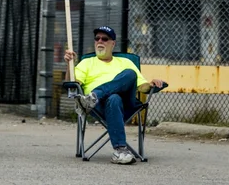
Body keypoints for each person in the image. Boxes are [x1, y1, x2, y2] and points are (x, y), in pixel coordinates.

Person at [64, 25, 165, 165]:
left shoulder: (126, 62)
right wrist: (69, 65)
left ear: (113, 43)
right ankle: (120, 151)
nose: (100, 41)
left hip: (126, 105)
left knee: (130, 74)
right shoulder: (86, 63)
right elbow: (72, 84)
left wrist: (152, 84)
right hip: (98, 107)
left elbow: (143, 87)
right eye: (97, 38)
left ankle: (95, 95)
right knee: (114, 98)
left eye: (104, 39)